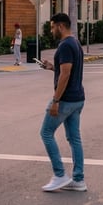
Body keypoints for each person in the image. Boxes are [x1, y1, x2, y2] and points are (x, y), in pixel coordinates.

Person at [38, 12, 86, 192]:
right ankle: (79, 180)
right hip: (78, 98)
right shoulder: (75, 43)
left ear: (60, 26)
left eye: (52, 27)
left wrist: (56, 101)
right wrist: (52, 67)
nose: (51, 30)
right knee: (74, 139)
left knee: (46, 133)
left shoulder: (65, 45)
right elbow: (66, 71)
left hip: (66, 99)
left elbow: (66, 74)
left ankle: (59, 175)